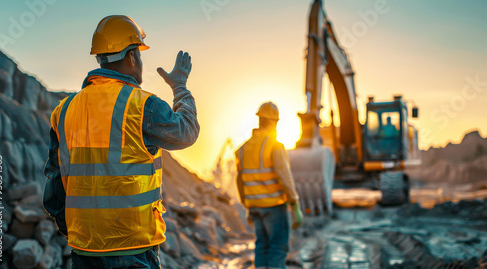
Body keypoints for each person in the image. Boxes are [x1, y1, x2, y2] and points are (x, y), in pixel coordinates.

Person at [43, 15, 199, 269]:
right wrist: (180, 87)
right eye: (139, 53)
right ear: (130, 56)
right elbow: (187, 133)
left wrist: (76, 232)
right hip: (132, 248)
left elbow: (55, 182)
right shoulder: (142, 105)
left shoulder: (64, 109)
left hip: (84, 249)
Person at [235, 102, 303, 269]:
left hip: (255, 206)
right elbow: (284, 177)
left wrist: (247, 206)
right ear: (275, 122)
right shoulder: (275, 146)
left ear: (260, 120)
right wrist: (295, 205)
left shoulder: (244, 149)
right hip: (274, 207)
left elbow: (240, 180)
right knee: (277, 249)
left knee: (262, 247)